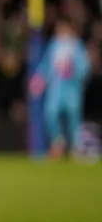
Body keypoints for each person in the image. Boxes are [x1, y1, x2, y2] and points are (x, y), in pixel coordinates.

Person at [31, 19, 90, 159]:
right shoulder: (54, 45)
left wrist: (75, 72)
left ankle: (77, 146)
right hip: (55, 88)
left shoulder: (76, 46)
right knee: (50, 113)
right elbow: (46, 64)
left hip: (72, 88)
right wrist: (39, 79)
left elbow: (84, 66)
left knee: (73, 117)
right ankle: (58, 141)